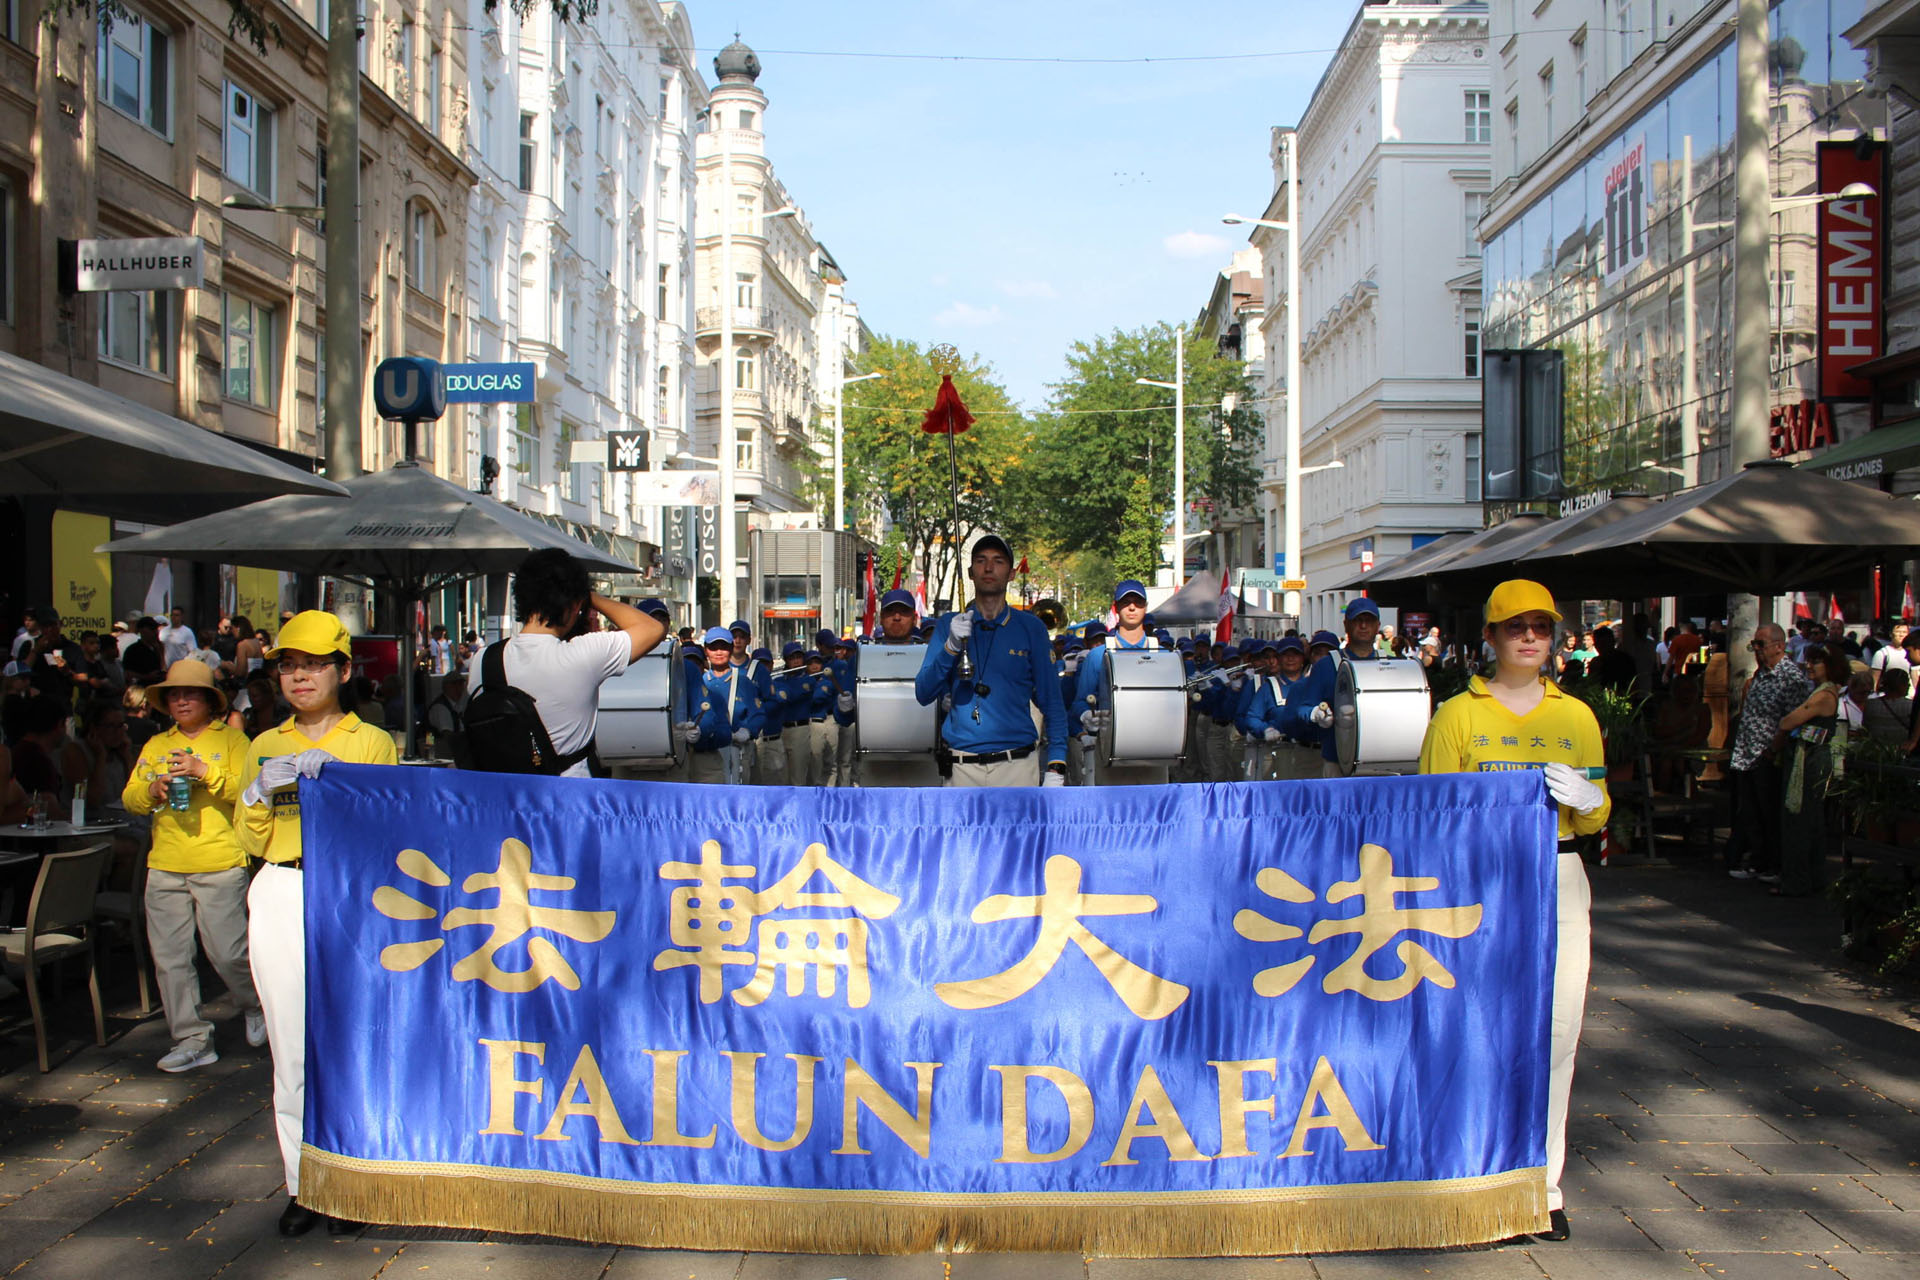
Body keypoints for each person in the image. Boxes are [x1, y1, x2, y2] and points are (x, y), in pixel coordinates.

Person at [1418, 579, 1609, 1244]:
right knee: (1476, 1032)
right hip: (1481, 884)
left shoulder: (1576, 718)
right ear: (1491, 637)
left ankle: (1543, 1188)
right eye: (1515, 627)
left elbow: (1597, 817)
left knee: (1556, 1035)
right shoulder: (1457, 717)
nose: (1530, 638)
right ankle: (1472, 1174)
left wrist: (1587, 798)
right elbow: (1431, 815)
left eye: (1541, 627)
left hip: (1557, 873)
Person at [236, 611, 398, 1237]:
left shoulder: (370, 741)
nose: (300, 677)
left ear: (343, 670)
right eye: (289, 666)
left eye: (314, 665)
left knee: (352, 1038)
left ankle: (355, 1179)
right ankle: (304, 1185)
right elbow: (247, 836)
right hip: (282, 884)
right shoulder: (264, 743)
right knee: (290, 1046)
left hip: (349, 892)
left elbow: (386, 829)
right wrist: (256, 793)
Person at [121, 660, 264, 1073]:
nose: (181, 700)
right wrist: (152, 789)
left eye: (191, 693)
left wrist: (206, 771)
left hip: (219, 861)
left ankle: (254, 1002)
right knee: (170, 958)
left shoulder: (234, 741)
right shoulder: (155, 745)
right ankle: (192, 1037)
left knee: (228, 951)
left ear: (209, 700)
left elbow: (251, 791)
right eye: (174, 694)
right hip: (165, 862)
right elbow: (130, 796)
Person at [473, 548, 665, 777]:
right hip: (570, 799)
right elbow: (653, 628)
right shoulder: (583, 655)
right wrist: (588, 595)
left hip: (506, 799)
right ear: (574, 605)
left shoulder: (483, 660)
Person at [915, 534, 1068, 787]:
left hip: (1017, 766)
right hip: (961, 767)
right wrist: (951, 647)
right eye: (981, 560)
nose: (988, 567)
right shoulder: (949, 625)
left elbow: (1052, 700)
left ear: (1011, 573)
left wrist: (1056, 764)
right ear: (971, 572)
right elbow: (923, 693)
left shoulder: (1031, 628)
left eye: (998, 561)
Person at [1726, 623, 1812, 882]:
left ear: (1779, 646)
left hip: (1768, 756)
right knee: (1750, 812)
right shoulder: (1760, 675)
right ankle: (1758, 859)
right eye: (1754, 645)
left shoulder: (1791, 678)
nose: (1757, 650)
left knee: (1769, 812)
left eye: (1761, 645)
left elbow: (1793, 719)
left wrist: (1773, 749)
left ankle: (1774, 863)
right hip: (1746, 754)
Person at [1073, 579, 1171, 786]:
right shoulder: (1098, 655)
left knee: (1155, 814)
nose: (1132, 607)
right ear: (1116, 607)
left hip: (1154, 753)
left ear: (1145, 607)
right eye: (1126, 602)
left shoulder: (1163, 656)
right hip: (1110, 752)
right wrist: (1089, 717)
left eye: (1138, 602)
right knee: (1112, 815)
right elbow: (1080, 701)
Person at [1775, 642, 1847, 898]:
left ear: (1830, 666)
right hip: (1809, 757)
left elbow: (1788, 721)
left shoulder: (1824, 695)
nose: (1808, 665)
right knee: (1811, 821)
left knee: (1801, 821)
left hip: (1812, 760)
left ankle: (1799, 880)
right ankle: (1810, 878)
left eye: (1815, 661)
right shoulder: (1821, 691)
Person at [1295, 598, 1387, 778]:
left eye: (1368, 621)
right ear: (1346, 625)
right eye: (1357, 621)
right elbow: (1303, 708)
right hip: (1338, 762)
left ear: (1378, 626)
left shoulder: (1390, 663)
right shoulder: (1326, 665)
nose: (1363, 626)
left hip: (1380, 763)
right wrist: (1316, 714)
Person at [679, 628, 759, 784]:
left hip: (721, 753)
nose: (718, 652)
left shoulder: (739, 683)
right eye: (713, 648)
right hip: (679, 761)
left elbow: (756, 712)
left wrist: (749, 730)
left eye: (695, 663)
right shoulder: (672, 695)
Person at [1863, 668, 1913, 746]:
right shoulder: (1911, 706)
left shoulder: (1870, 705)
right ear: (1900, 685)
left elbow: (1866, 728)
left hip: (1876, 750)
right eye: (1907, 682)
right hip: (1902, 750)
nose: (1909, 685)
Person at [121, 616, 167, 686]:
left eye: (156, 629)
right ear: (142, 630)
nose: (155, 632)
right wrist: (146, 677)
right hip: (140, 689)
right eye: (151, 629)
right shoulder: (133, 650)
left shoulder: (156, 649)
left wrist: (161, 652)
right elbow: (127, 673)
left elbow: (162, 668)